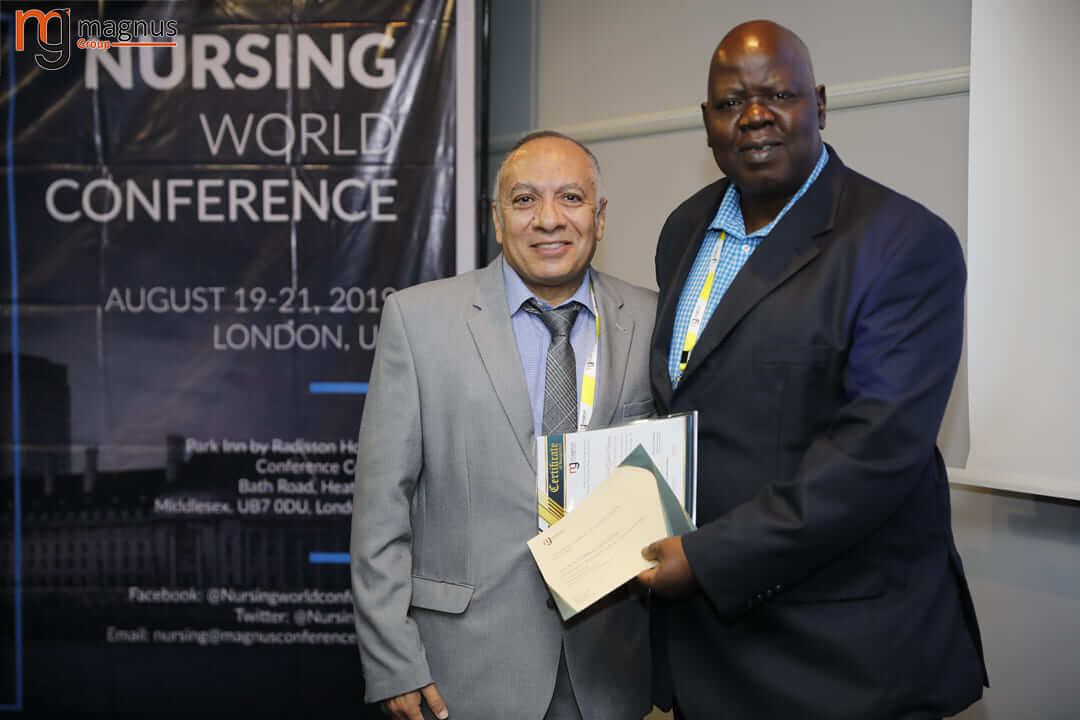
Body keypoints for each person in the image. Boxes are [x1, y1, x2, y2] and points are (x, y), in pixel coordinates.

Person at [637, 20, 987, 720]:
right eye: (730, 102)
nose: (754, 116)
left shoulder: (903, 243)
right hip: (710, 648)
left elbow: (875, 455)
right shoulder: (683, 228)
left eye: (778, 95)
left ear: (819, 104)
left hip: (840, 658)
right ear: (706, 122)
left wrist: (707, 559)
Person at [351, 131, 656, 720]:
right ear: (497, 218)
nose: (549, 219)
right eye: (524, 200)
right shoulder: (418, 320)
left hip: (609, 670)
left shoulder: (650, 318)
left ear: (599, 216)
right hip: (462, 670)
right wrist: (393, 663)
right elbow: (380, 509)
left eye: (570, 197)